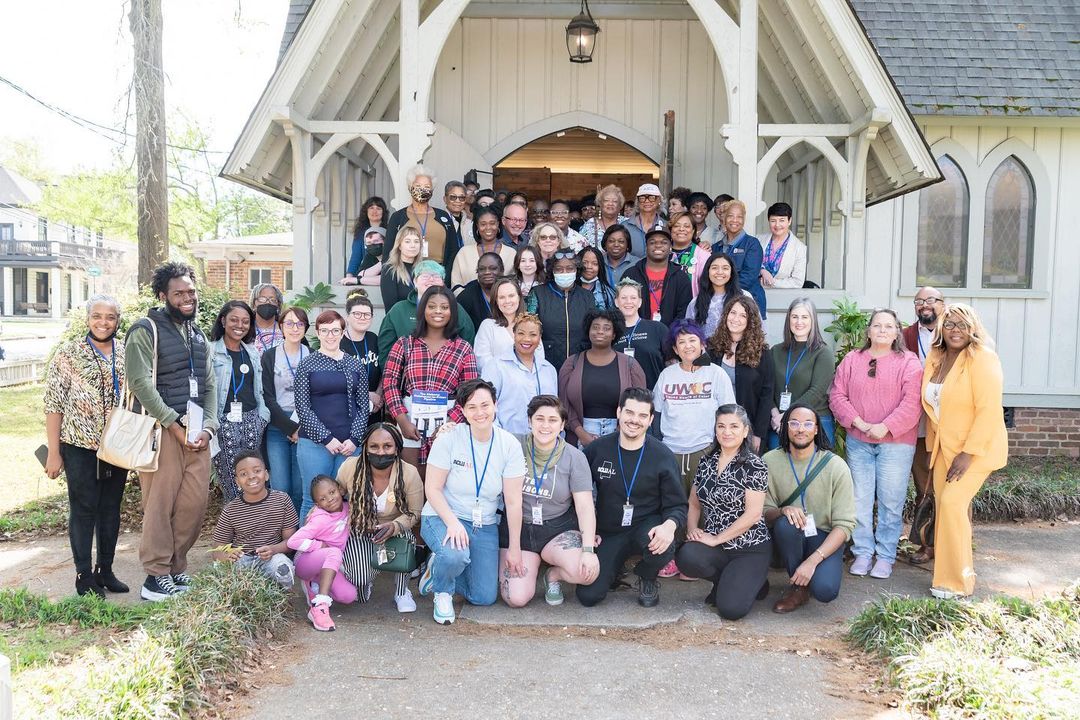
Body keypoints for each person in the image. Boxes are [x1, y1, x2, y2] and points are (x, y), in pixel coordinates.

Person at [125, 262, 217, 601]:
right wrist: (172, 424)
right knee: (160, 504)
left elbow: (209, 384)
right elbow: (139, 383)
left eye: (191, 292)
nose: (187, 298)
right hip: (161, 430)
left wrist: (209, 426)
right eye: (179, 293)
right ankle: (154, 576)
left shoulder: (198, 334)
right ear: (163, 295)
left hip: (197, 433)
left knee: (194, 503)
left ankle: (176, 568)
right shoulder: (145, 329)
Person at [419, 380, 526, 624]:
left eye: (485, 405)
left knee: (484, 596)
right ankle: (442, 591)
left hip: (484, 523)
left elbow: (513, 501)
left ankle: (437, 571)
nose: (480, 413)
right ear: (463, 411)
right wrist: (453, 523)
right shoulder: (449, 438)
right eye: (472, 407)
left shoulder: (509, 445)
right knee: (455, 555)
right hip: (443, 515)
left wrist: (515, 547)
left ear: (495, 405)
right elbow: (432, 489)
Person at [44, 295, 129, 597]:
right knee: (84, 509)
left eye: (110, 317)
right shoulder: (69, 353)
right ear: (87, 318)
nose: (103, 323)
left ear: (118, 321)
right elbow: (53, 403)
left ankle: (105, 570)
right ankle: (83, 575)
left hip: (117, 446)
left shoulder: (125, 352)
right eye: (97, 316)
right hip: (79, 444)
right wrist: (54, 452)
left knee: (110, 509)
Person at [922, 304, 1008, 599]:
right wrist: (932, 448)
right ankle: (944, 578)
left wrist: (968, 453)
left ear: (973, 328)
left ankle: (960, 582)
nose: (955, 330)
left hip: (975, 449)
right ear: (940, 329)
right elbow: (934, 408)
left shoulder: (983, 359)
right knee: (944, 511)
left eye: (961, 325)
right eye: (949, 325)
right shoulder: (936, 358)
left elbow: (989, 411)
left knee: (953, 505)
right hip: (944, 449)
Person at [829, 308, 922, 580]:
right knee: (859, 499)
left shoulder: (909, 362)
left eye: (888, 326)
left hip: (896, 443)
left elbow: (912, 401)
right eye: (877, 326)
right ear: (868, 331)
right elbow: (837, 395)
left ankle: (885, 556)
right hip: (859, 441)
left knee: (891, 502)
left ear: (897, 333)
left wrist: (886, 426)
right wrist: (858, 422)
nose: (882, 330)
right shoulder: (852, 359)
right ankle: (863, 552)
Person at [577, 388, 687, 608]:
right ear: (618, 412)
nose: (634, 420)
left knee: (662, 546)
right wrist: (585, 533)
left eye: (642, 415)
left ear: (651, 419)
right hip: (608, 531)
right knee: (588, 596)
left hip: (646, 527)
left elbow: (678, 505)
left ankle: (647, 576)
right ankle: (614, 568)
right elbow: (575, 493)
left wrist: (669, 526)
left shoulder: (662, 456)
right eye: (629, 412)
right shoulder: (597, 450)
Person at [501, 396, 600, 607]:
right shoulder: (512, 445)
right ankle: (529, 563)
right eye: (539, 419)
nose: (546, 425)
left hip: (557, 528)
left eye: (553, 420)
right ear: (529, 421)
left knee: (587, 572)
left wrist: (589, 549)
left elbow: (584, 506)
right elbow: (482, 436)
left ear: (563, 424)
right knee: (516, 598)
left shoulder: (574, 457)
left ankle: (553, 576)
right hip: (519, 528)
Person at [676, 404, 771, 620]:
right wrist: (693, 530)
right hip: (716, 544)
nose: (727, 432)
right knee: (687, 556)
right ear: (715, 430)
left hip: (748, 547)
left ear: (745, 430)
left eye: (734, 426)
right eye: (721, 426)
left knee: (730, 610)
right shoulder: (705, 462)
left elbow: (753, 515)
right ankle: (725, 581)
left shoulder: (755, 465)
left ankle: (756, 581)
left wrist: (717, 538)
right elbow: (694, 503)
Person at [763, 404, 855, 613]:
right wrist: (783, 510)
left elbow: (845, 525)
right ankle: (798, 588)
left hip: (822, 537)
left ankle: (812, 572)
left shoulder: (836, 466)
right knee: (785, 524)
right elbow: (764, 514)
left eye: (807, 423)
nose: (800, 429)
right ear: (785, 427)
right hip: (787, 537)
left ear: (816, 429)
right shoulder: (769, 461)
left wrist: (812, 562)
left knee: (825, 590)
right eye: (794, 423)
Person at [383, 286, 478, 470]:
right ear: (423, 309)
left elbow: (470, 392)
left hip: (448, 424)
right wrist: (402, 420)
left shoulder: (463, 348)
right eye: (432, 306)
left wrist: (451, 424)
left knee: (443, 485)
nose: (438, 312)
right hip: (410, 421)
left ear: (452, 311)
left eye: (444, 307)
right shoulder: (405, 344)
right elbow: (389, 382)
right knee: (412, 483)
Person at [337, 423, 425, 612]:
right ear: (366, 448)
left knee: (406, 540)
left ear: (396, 448)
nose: (381, 452)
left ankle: (402, 591)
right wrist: (320, 510)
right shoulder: (350, 467)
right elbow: (337, 496)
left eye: (387, 446)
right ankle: (367, 575)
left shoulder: (409, 473)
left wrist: (395, 526)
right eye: (374, 446)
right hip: (359, 530)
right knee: (359, 583)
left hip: (395, 532)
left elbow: (415, 512)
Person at [293, 310, 370, 521]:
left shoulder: (355, 365)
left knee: (347, 498)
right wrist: (327, 439)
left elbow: (364, 406)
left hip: (349, 445)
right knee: (313, 499)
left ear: (343, 332)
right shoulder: (307, 364)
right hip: (315, 444)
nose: (330, 335)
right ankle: (305, 551)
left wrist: (354, 439)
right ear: (317, 333)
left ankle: (345, 550)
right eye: (324, 331)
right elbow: (302, 407)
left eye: (335, 330)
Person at [653, 321, 735, 494]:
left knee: (702, 510)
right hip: (670, 453)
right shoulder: (666, 375)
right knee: (673, 507)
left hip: (705, 451)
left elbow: (729, 414)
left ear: (702, 344)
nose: (687, 346)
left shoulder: (716, 373)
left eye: (692, 340)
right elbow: (656, 414)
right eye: (681, 342)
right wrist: (661, 448)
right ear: (675, 349)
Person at [209, 301, 271, 503]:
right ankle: (236, 529)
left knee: (254, 479)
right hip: (223, 423)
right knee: (232, 479)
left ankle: (256, 529)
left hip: (253, 420)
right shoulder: (210, 352)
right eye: (234, 320)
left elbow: (259, 389)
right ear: (223, 320)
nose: (240, 325)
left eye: (245, 321)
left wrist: (262, 418)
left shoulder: (252, 352)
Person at [211, 450, 299, 589]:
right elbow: (217, 548)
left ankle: (278, 594)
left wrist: (273, 549)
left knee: (283, 567)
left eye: (257, 471)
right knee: (223, 571)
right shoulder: (231, 509)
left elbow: (291, 541)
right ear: (237, 481)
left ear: (266, 474)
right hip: (243, 558)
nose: (251, 477)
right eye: (243, 474)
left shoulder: (282, 500)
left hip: (272, 557)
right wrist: (227, 555)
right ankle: (244, 591)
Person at [559, 308, 646, 447]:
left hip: (621, 436)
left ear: (614, 334)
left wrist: (619, 433)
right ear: (588, 331)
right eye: (595, 327)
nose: (600, 331)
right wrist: (581, 434)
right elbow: (563, 405)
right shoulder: (571, 363)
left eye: (606, 328)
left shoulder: (630, 365)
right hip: (579, 437)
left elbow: (641, 404)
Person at [903, 286, 944, 565]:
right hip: (916, 423)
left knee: (946, 486)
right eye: (919, 301)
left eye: (930, 300)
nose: (924, 305)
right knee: (924, 485)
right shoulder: (906, 335)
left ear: (943, 303)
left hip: (945, 424)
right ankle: (926, 543)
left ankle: (951, 542)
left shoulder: (953, 332)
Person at [290, 475, 357, 632]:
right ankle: (320, 606)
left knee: (349, 596)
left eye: (332, 492)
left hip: (328, 564)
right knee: (333, 552)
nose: (330, 499)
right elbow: (293, 542)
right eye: (323, 499)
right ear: (317, 504)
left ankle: (316, 583)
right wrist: (319, 544)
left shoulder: (348, 508)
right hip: (305, 562)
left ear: (340, 490)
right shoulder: (320, 519)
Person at [378, 260, 476, 366]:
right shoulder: (398, 310)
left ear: (443, 283)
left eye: (436, 276)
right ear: (415, 281)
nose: (431, 280)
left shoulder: (455, 308)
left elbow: (468, 338)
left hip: (447, 375)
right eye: (425, 276)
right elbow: (385, 349)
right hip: (406, 376)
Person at [708, 295, 774, 451]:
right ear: (726, 315)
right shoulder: (712, 348)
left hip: (748, 429)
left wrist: (758, 433)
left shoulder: (762, 353)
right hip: (715, 429)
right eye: (733, 313)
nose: (736, 318)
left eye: (743, 315)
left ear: (750, 321)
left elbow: (767, 395)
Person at [767, 298, 836, 449]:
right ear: (789, 319)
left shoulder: (823, 353)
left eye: (805, 317)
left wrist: (787, 417)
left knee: (813, 472)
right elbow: (767, 387)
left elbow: (816, 392)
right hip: (778, 422)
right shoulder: (775, 351)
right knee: (780, 471)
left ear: (813, 321)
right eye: (795, 316)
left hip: (814, 422)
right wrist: (774, 415)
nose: (799, 322)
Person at [261, 306, 309, 517]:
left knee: (300, 489)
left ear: (306, 328)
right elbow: (267, 397)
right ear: (281, 327)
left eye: (299, 324)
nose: (294, 328)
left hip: (306, 428)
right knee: (280, 488)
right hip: (277, 427)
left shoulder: (313, 355)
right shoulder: (270, 356)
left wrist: (301, 428)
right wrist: (290, 427)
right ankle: (279, 538)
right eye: (289, 323)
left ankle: (297, 540)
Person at [483, 313, 559, 437]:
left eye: (533, 334)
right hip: (507, 441)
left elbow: (555, 409)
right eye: (521, 333)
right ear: (514, 334)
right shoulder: (495, 366)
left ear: (540, 338)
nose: (526, 339)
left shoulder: (549, 370)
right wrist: (499, 440)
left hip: (543, 442)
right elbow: (486, 406)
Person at [381, 164, 458, 277]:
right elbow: (388, 252)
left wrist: (446, 277)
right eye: (418, 185)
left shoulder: (443, 216)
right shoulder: (398, 217)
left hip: (439, 275)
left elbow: (453, 250)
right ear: (409, 187)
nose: (423, 189)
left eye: (427, 186)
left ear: (432, 189)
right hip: (407, 275)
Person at [525, 250, 595, 370]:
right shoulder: (538, 293)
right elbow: (528, 326)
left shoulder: (587, 297)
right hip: (546, 365)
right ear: (552, 271)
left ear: (577, 270)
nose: (564, 272)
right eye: (559, 269)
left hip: (581, 365)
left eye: (569, 268)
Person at [623, 229, 693, 326]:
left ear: (670, 247)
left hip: (671, 337)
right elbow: (622, 308)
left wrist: (670, 335)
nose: (658, 245)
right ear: (646, 247)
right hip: (637, 336)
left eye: (664, 242)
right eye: (652, 242)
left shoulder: (681, 277)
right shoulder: (630, 275)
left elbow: (684, 312)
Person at [474, 278, 545, 371]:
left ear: (519, 297)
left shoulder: (530, 324)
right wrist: (509, 375)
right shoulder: (487, 326)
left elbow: (539, 357)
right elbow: (482, 361)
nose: (507, 301)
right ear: (496, 301)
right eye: (502, 297)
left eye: (511, 296)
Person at [712, 200, 766, 318]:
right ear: (724, 218)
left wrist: (722, 292)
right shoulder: (716, 247)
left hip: (749, 304)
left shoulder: (752, 244)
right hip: (722, 306)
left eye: (739, 217)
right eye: (730, 216)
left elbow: (749, 277)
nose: (735, 220)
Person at [611, 279, 667, 389]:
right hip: (623, 398)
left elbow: (672, 363)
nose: (628, 302)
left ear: (640, 302)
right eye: (623, 298)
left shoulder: (657, 328)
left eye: (633, 298)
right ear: (616, 302)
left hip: (654, 396)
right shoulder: (610, 333)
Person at [340, 289, 382, 416]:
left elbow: (384, 370)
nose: (362, 318)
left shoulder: (374, 339)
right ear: (347, 316)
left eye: (367, 314)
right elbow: (335, 381)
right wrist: (367, 395)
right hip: (347, 409)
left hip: (374, 408)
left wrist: (379, 395)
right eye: (357, 314)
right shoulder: (338, 343)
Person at [451, 204, 515, 288]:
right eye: (483, 224)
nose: (488, 227)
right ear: (477, 226)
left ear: (498, 224)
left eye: (492, 223)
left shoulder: (511, 253)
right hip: (468, 300)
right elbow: (456, 285)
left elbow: (515, 284)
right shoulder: (464, 253)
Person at [687, 252, 747, 337]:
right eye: (714, 268)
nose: (719, 272)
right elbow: (689, 335)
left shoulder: (745, 297)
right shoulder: (695, 303)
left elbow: (757, 329)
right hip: (707, 349)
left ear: (731, 272)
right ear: (707, 271)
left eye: (725, 268)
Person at [760, 202, 807, 289]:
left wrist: (772, 282)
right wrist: (762, 271)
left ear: (789, 221)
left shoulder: (799, 248)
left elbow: (797, 282)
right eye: (773, 221)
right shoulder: (758, 240)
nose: (777, 225)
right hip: (755, 293)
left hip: (782, 296)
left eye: (782, 220)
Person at [342, 196, 388, 284]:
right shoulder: (360, 233)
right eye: (371, 208)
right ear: (366, 211)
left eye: (378, 208)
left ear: (383, 212)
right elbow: (356, 257)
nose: (374, 211)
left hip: (386, 274)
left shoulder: (390, 230)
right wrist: (349, 278)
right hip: (365, 275)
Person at [455, 252, 503, 328]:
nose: (487, 272)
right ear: (477, 272)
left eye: (493, 268)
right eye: (482, 269)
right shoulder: (467, 296)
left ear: (501, 271)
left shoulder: (509, 291)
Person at [381, 226, 423, 311]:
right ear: (399, 246)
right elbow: (391, 307)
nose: (413, 245)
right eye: (407, 241)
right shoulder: (390, 270)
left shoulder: (424, 269)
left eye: (416, 241)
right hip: (401, 320)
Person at [668, 211, 709, 293]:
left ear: (693, 230)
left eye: (686, 226)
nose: (681, 229)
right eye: (676, 226)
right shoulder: (662, 253)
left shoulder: (703, 255)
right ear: (670, 230)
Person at [581, 184, 629, 249]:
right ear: (600, 204)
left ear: (620, 206)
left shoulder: (627, 223)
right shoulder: (590, 224)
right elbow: (581, 249)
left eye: (615, 201)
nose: (610, 204)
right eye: (606, 200)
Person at [622, 183, 666, 255]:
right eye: (642, 198)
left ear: (659, 201)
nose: (647, 201)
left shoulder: (666, 225)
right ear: (638, 202)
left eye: (652, 197)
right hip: (632, 266)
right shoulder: (625, 226)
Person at [578, 246, 616, 310]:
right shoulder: (569, 289)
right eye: (585, 262)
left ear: (600, 267)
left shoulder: (607, 293)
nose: (589, 267)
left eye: (595, 263)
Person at [250, 283, 285, 353]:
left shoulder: (287, 328)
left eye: (273, 300)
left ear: (278, 304)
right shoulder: (245, 328)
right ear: (254, 303)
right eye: (262, 299)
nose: (268, 302)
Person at [444, 181, 471, 250]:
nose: (458, 201)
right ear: (445, 199)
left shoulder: (471, 224)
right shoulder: (439, 221)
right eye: (453, 197)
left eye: (461, 198)